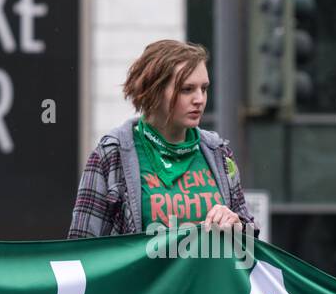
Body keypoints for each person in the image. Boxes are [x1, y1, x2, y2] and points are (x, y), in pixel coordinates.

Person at [68, 39, 257, 238]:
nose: (199, 99)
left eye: (204, 88)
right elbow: (81, 247)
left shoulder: (218, 152)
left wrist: (238, 225)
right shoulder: (112, 153)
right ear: (154, 91)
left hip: (211, 270)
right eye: (187, 89)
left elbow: (251, 243)